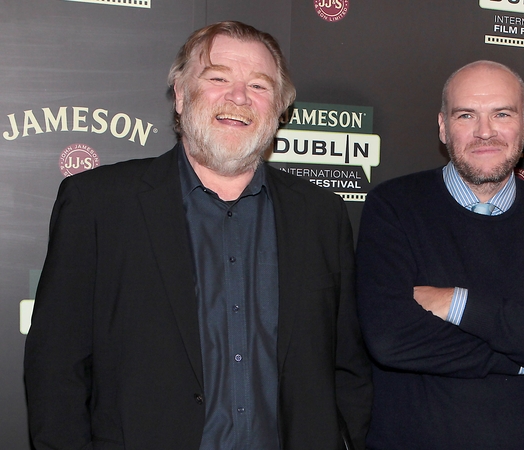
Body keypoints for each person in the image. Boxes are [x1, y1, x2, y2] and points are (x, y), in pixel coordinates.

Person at [24, 21, 372, 450]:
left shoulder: (321, 214)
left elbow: (347, 365)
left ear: (280, 108)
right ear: (181, 94)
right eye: (218, 78)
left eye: (259, 86)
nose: (239, 97)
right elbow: (56, 366)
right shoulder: (98, 204)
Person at [356, 60, 524, 450]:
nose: (484, 131)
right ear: (443, 127)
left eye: (502, 114)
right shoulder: (393, 207)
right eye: (466, 115)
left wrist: (458, 303)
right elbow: (390, 339)